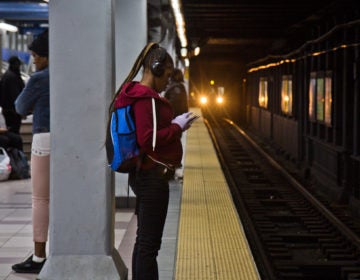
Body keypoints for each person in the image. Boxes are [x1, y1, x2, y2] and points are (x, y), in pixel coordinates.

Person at [108, 42, 196, 280]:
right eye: (166, 75)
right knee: (149, 245)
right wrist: (177, 127)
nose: (168, 81)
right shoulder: (145, 98)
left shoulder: (135, 93)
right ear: (155, 69)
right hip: (152, 177)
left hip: (143, 174)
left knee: (144, 242)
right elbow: (149, 140)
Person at [11, 29, 50, 274]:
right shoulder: (69, 75)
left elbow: (20, 106)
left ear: (46, 55)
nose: (34, 60)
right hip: (69, 142)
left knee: (40, 200)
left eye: (36, 55)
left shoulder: (40, 78)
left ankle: (38, 257)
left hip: (44, 138)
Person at [0, 56, 25, 134]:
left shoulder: (7, 75)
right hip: (12, 111)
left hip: (8, 110)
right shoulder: (13, 77)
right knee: (14, 133)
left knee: (12, 131)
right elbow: (16, 95)